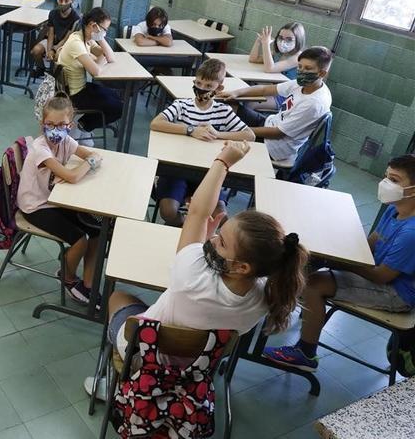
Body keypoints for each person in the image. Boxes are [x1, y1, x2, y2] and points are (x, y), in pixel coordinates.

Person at [85, 141, 307, 400]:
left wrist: (223, 161)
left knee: (117, 297)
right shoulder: (265, 296)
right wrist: (211, 239)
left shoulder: (191, 275)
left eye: (221, 242)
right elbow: (201, 221)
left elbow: (197, 213)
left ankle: (116, 386)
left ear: (242, 266)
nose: (212, 241)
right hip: (197, 368)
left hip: (145, 358)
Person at [264, 154, 415, 373]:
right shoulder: (394, 209)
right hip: (383, 277)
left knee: (314, 284)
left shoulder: (411, 233)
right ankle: (286, 306)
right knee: (310, 260)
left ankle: (306, 353)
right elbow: (369, 245)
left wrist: (340, 262)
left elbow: (382, 276)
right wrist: (335, 247)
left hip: (396, 293)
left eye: (394, 179)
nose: (385, 184)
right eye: (385, 177)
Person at [149, 58, 255, 227]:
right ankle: (187, 225)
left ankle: (199, 227)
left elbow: (250, 135)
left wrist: (218, 134)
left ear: (219, 88)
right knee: (168, 211)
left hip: (209, 172)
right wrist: (191, 130)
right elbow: (156, 123)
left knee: (221, 216)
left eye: (208, 86)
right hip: (177, 169)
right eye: (198, 83)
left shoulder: (223, 110)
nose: (201, 89)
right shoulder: (182, 105)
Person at [19, 94, 103, 304]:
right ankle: (66, 276)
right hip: (35, 206)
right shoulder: (41, 149)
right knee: (79, 240)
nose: (55, 130)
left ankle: (89, 285)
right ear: (42, 124)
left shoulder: (66, 140)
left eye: (61, 125)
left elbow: (91, 153)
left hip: (54, 198)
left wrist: (91, 158)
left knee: (96, 230)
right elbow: (73, 176)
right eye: (50, 124)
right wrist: (91, 162)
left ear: (70, 125)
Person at [216, 46, 332, 163]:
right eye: (300, 66)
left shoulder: (314, 104)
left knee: (221, 134)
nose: (302, 71)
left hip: (274, 146)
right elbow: (265, 90)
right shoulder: (303, 84)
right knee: (228, 106)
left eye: (308, 68)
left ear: (321, 73)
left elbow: (278, 134)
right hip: (269, 124)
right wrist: (236, 93)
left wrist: (239, 130)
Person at [57, 7, 122, 137]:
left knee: (115, 96)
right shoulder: (76, 42)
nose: (105, 33)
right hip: (75, 94)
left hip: (80, 87)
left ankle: (84, 124)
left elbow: (110, 56)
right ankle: (85, 125)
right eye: (104, 29)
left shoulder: (86, 38)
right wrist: (102, 55)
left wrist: (100, 39)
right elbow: (96, 71)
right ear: (93, 25)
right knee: (117, 108)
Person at [247, 22, 306, 112]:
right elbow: (253, 59)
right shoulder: (278, 53)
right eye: (281, 37)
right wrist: (259, 41)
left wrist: (266, 44)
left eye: (289, 39)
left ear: (298, 40)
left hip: (285, 96)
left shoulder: (298, 57)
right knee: (245, 94)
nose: (283, 42)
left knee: (249, 103)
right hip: (272, 89)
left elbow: (269, 68)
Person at [30, 0, 79, 79]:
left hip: (66, 43)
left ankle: (55, 77)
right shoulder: (53, 13)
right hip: (53, 40)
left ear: (72, 1)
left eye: (66, 1)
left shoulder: (75, 17)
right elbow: (51, 34)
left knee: (57, 56)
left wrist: (53, 50)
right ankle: (41, 69)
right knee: (35, 51)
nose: (63, 3)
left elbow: (66, 38)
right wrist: (49, 50)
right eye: (60, 0)